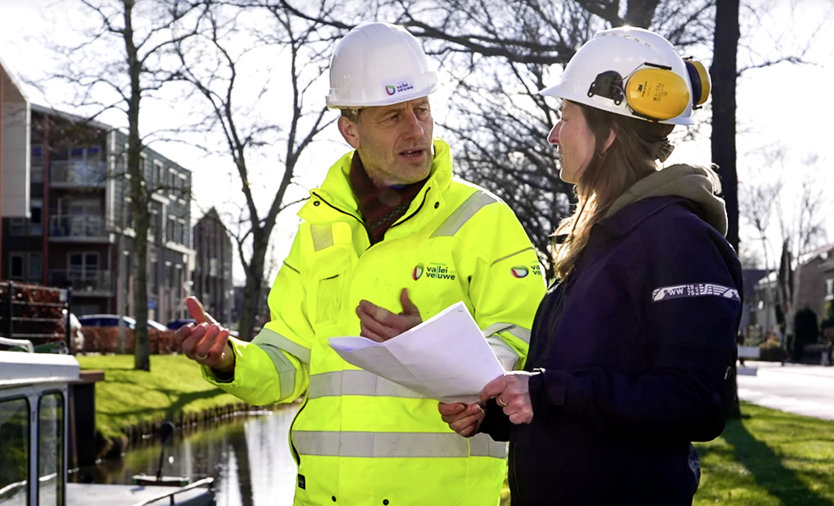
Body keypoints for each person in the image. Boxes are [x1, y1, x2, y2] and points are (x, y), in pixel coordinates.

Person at [175, 22, 545, 506]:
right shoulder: (317, 232)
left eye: (421, 109)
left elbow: (528, 347)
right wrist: (227, 359)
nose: (415, 130)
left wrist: (431, 348)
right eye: (392, 116)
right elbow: (287, 363)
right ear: (350, 129)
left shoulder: (484, 220)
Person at [440, 26, 743, 506]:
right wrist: (498, 413)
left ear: (609, 133)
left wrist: (550, 394)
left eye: (565, 116)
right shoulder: (598, 241)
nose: (552, 134)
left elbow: (698, 401)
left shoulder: (681, 242)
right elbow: (574, 383)